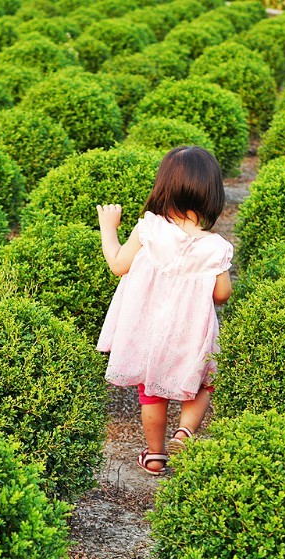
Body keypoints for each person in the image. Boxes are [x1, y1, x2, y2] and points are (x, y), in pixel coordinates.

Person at [96, 146, 233, 476]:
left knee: (152, 392)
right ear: (212, 195)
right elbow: (222, 294)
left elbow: (118, 264)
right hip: (194, 333)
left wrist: (108, 226)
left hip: (151, 334)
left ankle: (156, 455)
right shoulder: (215, 247)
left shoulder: (150, 229)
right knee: (202, 384)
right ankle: (185, 432)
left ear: (164, 187)